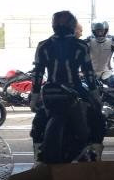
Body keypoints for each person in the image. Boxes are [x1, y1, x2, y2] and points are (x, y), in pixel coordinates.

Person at [29, 11, 104, 161]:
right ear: (72, 25)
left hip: (50, 91)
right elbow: (88, 73)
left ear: (53, 25)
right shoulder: (81, 45)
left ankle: (37, 153)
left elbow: (38, 74)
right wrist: (96, 96)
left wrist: (34, 97)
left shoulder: (43, 45)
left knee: (39, 119)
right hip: (75, 89)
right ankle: (95, 152)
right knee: (97, 115)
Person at [87, 20, 114, 88]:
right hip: (92, 73)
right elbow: (81, 57)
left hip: (106, 73)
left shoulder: (111, 42)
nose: (99, 32)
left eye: (101, 30)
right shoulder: (89, 42)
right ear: (94, 31)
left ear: (105, 30)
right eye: (97, 30)